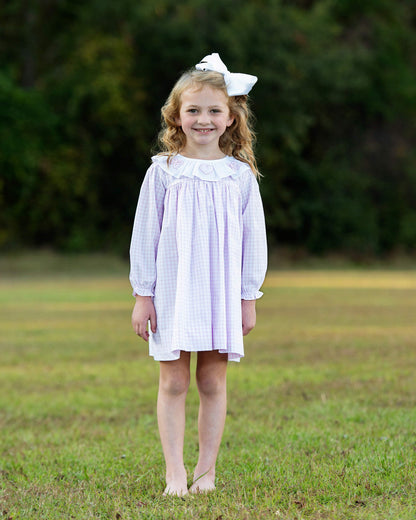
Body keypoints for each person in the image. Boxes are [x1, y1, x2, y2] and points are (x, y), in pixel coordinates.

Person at [129, 53, 267, 496]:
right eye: (193, 110)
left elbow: (253, 240)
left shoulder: (240, 177)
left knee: (212, 380)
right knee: (172, 380)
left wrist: (247, 297)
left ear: (230, 118)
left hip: (221, 292)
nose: (203, 119)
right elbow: (145, 236)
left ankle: (206, 472)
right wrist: (142, 294)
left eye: (213, 110)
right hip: (173, 291)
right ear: (177, 115)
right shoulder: (162, 172)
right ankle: (174, 473)